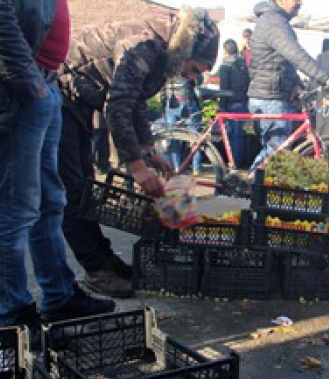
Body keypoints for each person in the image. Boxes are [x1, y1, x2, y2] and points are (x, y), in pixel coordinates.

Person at [57, 7, 220, 297]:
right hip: (62, 96)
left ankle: (104, 260)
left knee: (83, 186)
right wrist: (136, 167)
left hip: (78, 103)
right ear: (187, 51)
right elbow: (118, 106)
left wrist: (148, 150)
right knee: (71, 190)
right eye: (194, 69)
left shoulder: (164, 52)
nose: (190, 76)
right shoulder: (143, 46)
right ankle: (97, 269)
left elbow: (138, 102)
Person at [0, 0, 115, 327]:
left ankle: (60, 295)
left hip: (43, 85)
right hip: (18, 91)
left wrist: (43, 86)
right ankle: (15, 318)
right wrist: (30, 84)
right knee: (15, 209)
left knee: (51, 203)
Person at [247, 0, 329, 172]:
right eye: (296, 4)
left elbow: (284, 64)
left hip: (272, 95)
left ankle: (253, 185)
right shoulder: (274, 22)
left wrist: (298, 85)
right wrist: (324, 78)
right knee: (277, 154)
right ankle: (256, 188)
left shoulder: (275, 21)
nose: (299, 6)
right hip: (270, 97)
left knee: (275, 152)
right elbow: (296, 55)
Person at [219, 39, 250, 168]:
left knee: (230, 134)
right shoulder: (243, 63)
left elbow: (224, 88)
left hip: (231, 103)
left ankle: (233, 162)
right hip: (242, 102)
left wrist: (221, 106)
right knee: (238, 134)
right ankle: (237, 161)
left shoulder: (226, 65)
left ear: (225, 50)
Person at [163, 76, 203, 174]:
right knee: (194, 137)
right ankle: (196, 168)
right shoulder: (189, 65)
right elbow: (198, 80)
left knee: (173, 137)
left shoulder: (167, 67)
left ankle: (177, 167)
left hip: (171, 102)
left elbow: (162, 89)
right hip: (188, 101)